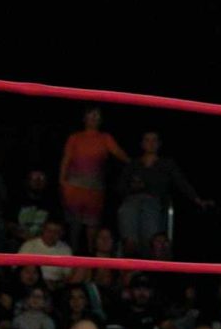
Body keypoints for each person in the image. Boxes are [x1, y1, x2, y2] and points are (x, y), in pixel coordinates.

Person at [116, 131, 209, 252]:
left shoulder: (166, 164)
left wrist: (197, 199)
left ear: (159, 144)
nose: (151, 143)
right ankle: (130, 248)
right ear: (142, 144)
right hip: (132, 200)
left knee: (149, 211)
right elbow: (120, 186)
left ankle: (149, 250)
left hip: (154, 201)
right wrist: (133, 188)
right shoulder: (133, 164)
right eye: (147, 140)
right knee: (127, 209)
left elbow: (181, 182)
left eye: (154, 140)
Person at [58, 108, 128, 239]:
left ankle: (91, 250)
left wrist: (135, 166)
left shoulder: (105, 138)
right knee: (74, 224)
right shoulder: (75, 137)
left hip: (95, 186)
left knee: (93, 223)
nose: (93, 119)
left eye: (96, 116)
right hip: (74, 185)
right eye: (90, 116)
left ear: (101, 120)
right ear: (84, 119)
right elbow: (66, 158)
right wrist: (62, 181)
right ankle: (73, 250)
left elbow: (120, 154)